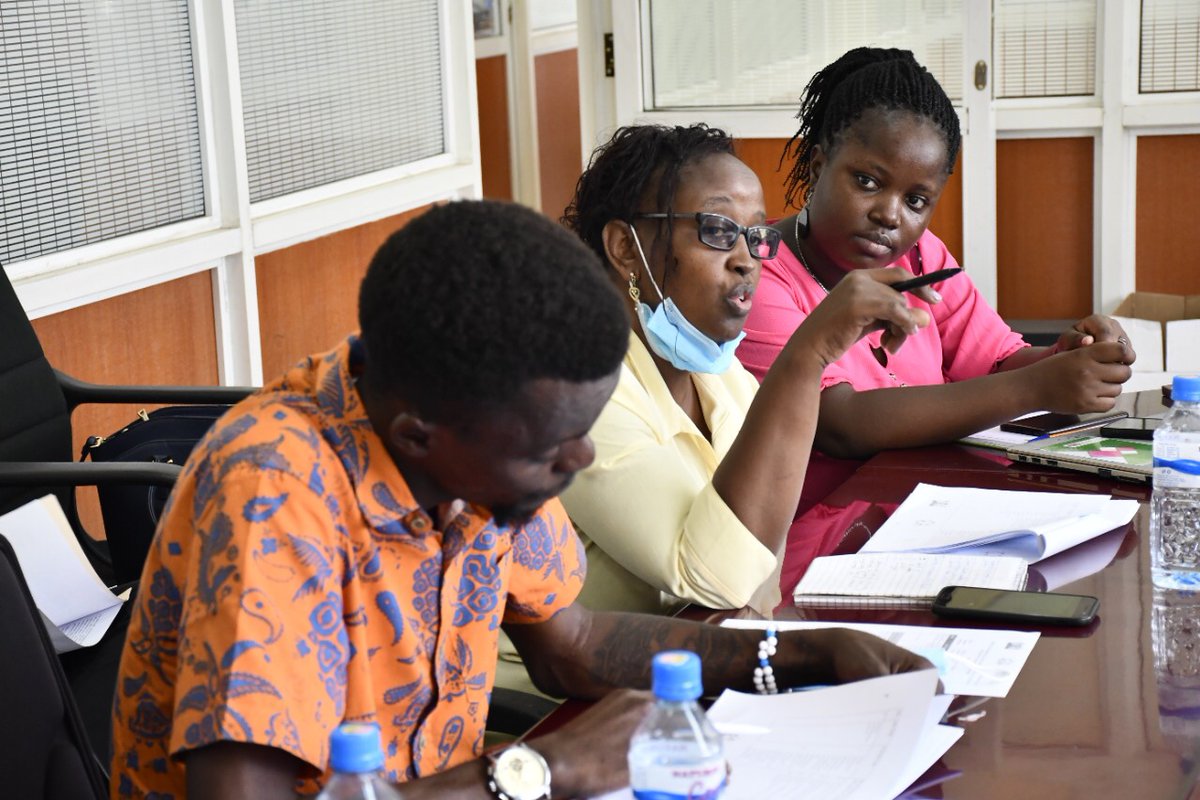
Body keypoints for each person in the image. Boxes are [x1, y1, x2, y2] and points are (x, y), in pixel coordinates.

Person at [110, 199, 932, 800]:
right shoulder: (275, 491)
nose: (574, 465)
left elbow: (567, 642)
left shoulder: (484, 441)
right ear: (421, 435)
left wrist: (797, 655)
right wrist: (548, 768)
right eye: (549, 451)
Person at [549, 123, 934, 618]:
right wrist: (807, 351)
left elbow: (761, 562)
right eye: (717, 229)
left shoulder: (719, 372)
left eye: (755, 235)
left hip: (704, 658)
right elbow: (718, 580)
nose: (747, 261)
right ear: (625, 247)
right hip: (576, 694)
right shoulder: (576, 384)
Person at [737, 47, 1136, 511]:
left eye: (916, 201)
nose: (889, 214)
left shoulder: (922, 256)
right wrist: (1038, 385)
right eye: (867, 181)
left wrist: (1064, 358)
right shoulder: (756, 273)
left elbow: (993, 364)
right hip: (814, 536)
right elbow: (839, 424)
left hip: (923, 516)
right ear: (818, 166)